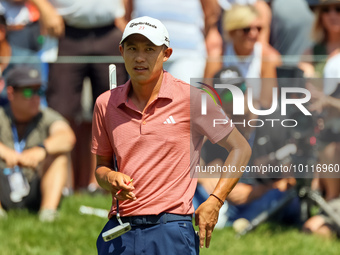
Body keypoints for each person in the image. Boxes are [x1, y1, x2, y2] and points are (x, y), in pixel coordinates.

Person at [91, 16, 251, 254]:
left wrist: (215, 200)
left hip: (171, 229)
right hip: (122, 229)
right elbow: (101, 168)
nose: (140, 57)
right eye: (133, 48)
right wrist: (110, 178)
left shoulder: (192, 98)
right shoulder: (105, 103)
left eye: (149, 49)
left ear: (166, 54)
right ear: (122, 51)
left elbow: (241, 149)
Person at [30, 0, 129, 191]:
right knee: (61, 111)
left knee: (111, 110)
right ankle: (62, 185)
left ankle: (99, 184)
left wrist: (123, 14)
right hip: (64, 30)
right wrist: (44, 7)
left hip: (110, 30)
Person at [0, 66, 75, 221]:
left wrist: (41, 149)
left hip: (35, 185)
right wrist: (5, 153)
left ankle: (48, 213)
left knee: (59, 157)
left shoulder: (45, 116)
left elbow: (67, 137)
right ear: (11, 93)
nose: (36, 98)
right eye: (28, 92)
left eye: (39, 91)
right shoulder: (2, 115)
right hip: (4, 183)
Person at [124, 0, 221, 84]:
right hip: (143, 55)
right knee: (143, 103)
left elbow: (211, 14)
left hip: (186, 56)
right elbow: (124, 17)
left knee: (182, 101)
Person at [205, 4, 281, 109]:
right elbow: (206, 99)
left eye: (258, 28)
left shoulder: (269, 58)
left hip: (255, 119)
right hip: (223, 117)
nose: (253, 33)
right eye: (246, 29)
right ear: (232, 31)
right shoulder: (217, 56)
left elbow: (267, 103)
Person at [299, 0, 340, 78]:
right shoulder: (311, 52)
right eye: (326, 9)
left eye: (338, 9)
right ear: (320, 16)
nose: (332, 15)